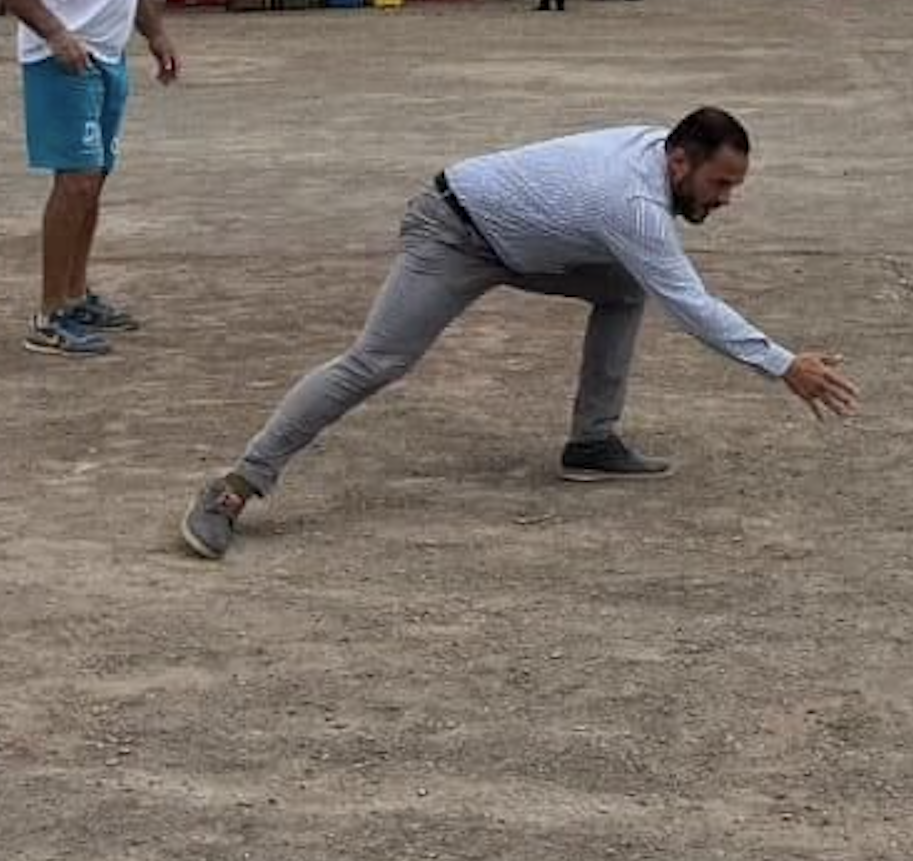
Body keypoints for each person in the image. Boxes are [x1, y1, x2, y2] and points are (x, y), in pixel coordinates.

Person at [179, 109, 861, 559]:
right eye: (720, 183)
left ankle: (592, 442)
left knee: (624, 288)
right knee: (377, 360)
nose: (725, 200)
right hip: (453, 232)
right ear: (680, 163)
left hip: (523, 242)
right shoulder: (631, 201)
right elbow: (692, 305)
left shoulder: (660, 154)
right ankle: (235, 486)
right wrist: (783, 365)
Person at [0, 0, 181, 358]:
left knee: (95, 178)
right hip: (62, 60)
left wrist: (154, 32)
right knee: (74, 180)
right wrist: (55, 34)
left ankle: (77, 295)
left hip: (110, 55)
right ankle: (49, 314)